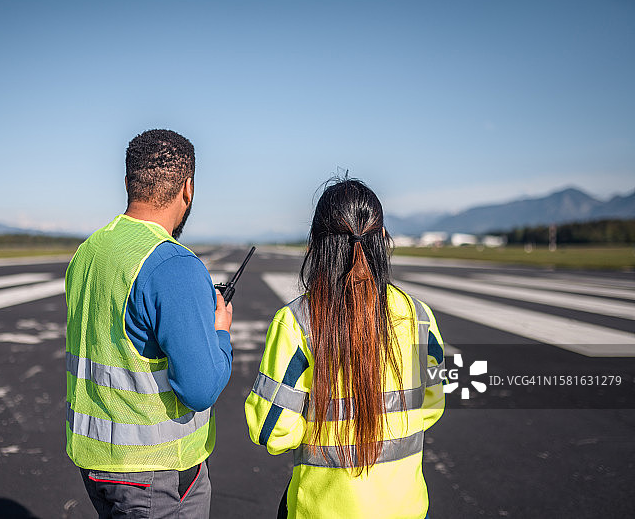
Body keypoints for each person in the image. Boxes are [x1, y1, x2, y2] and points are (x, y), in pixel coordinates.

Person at [245, 178, 446, 518]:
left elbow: (273, 431)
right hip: (407, 508)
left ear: (317, 244)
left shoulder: (298, 321)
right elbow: (432, 405)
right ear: (382, 240)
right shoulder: (418, 315)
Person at [65, 129, 234, 519]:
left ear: (128, 183)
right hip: (153, 472)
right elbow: (201, 387)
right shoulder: (173, 264)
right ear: (187, 188)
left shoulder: (89, 251)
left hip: (95, 461)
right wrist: (220, 332)